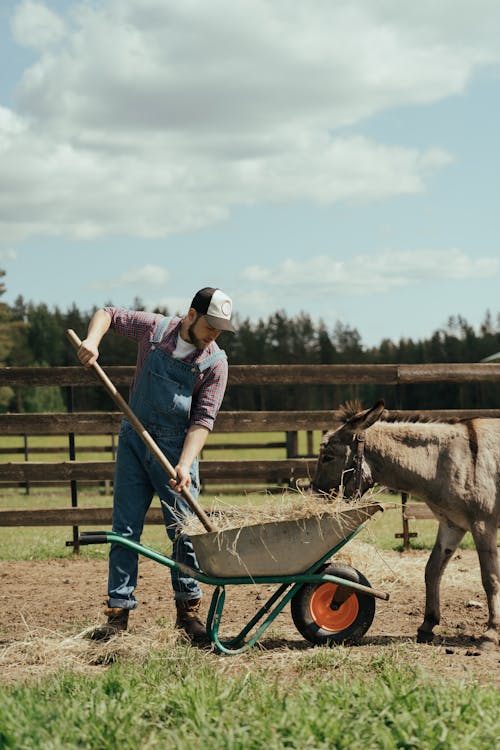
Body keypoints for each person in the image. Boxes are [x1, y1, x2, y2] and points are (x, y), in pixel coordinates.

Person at [77, 287, 235, 644]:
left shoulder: (214, 363)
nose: (214, 335)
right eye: (211, 325)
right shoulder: (155, 331)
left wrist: (184, 465)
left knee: (184, 534)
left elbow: (202, 420)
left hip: (177, 452)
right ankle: (118, 614)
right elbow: (109, 314)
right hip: (135, 440)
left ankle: (188, 613)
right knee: (124, 531)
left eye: (220, 329)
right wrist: (92, 340)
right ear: (191, 315)